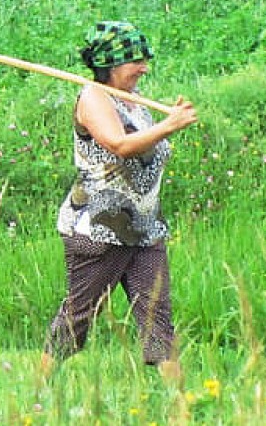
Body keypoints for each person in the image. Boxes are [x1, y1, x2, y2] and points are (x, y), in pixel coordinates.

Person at [40, 20, 198, 385]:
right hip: (100, 229)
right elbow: (118, 144)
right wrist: (169, 126)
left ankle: (183, 401)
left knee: (157, 316)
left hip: (143, 228)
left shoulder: (135, 100)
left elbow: (143, 146)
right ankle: (38, 391)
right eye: (135, 62)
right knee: (80, 315)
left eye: (144, 60)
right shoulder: (93, 97)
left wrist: (164, 122)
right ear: (110, 66)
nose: (143, 68)